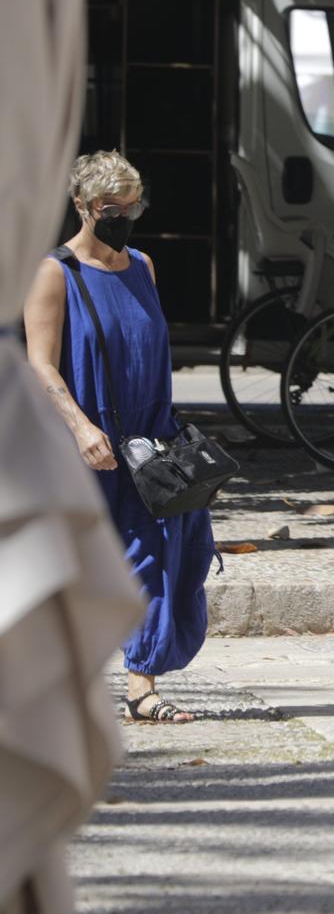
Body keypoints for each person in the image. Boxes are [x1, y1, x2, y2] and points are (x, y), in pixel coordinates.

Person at [22, 151, 214, 723]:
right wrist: (82, 427)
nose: (125, 216)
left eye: (134, 206)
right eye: (113, 208)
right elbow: (40, 363)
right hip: (83, 442)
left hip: (150, 442)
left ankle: (141, 687)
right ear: (82, 206)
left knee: (157, 553)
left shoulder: (143, 266)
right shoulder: (55, 272)